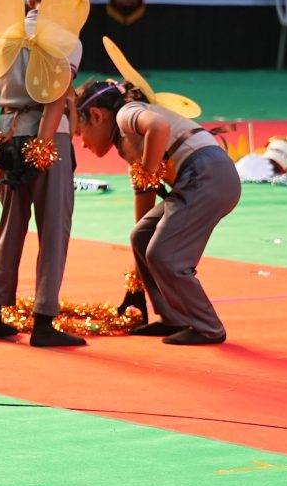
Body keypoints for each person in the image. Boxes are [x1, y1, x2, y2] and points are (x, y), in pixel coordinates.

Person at [0, 0, 100, 349]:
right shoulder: (67, 41)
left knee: (10, 227)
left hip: (9, 136)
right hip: (49, 140)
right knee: (53, 230)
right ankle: (44, 320)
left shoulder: (4, 35)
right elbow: (55, 100)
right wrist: (41, 150)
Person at [73, 77, 239, 345]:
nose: (81, 144)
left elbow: (159, 126)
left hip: (206, 173)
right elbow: (143, 217)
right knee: (142, 236)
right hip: (203, 177)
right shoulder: (128, 145)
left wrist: (148, 171)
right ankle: (172, 317)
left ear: (96, 116)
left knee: (165, 255)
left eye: (79, 132)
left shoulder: (126, 115)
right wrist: (136, 284)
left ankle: (208, 327)